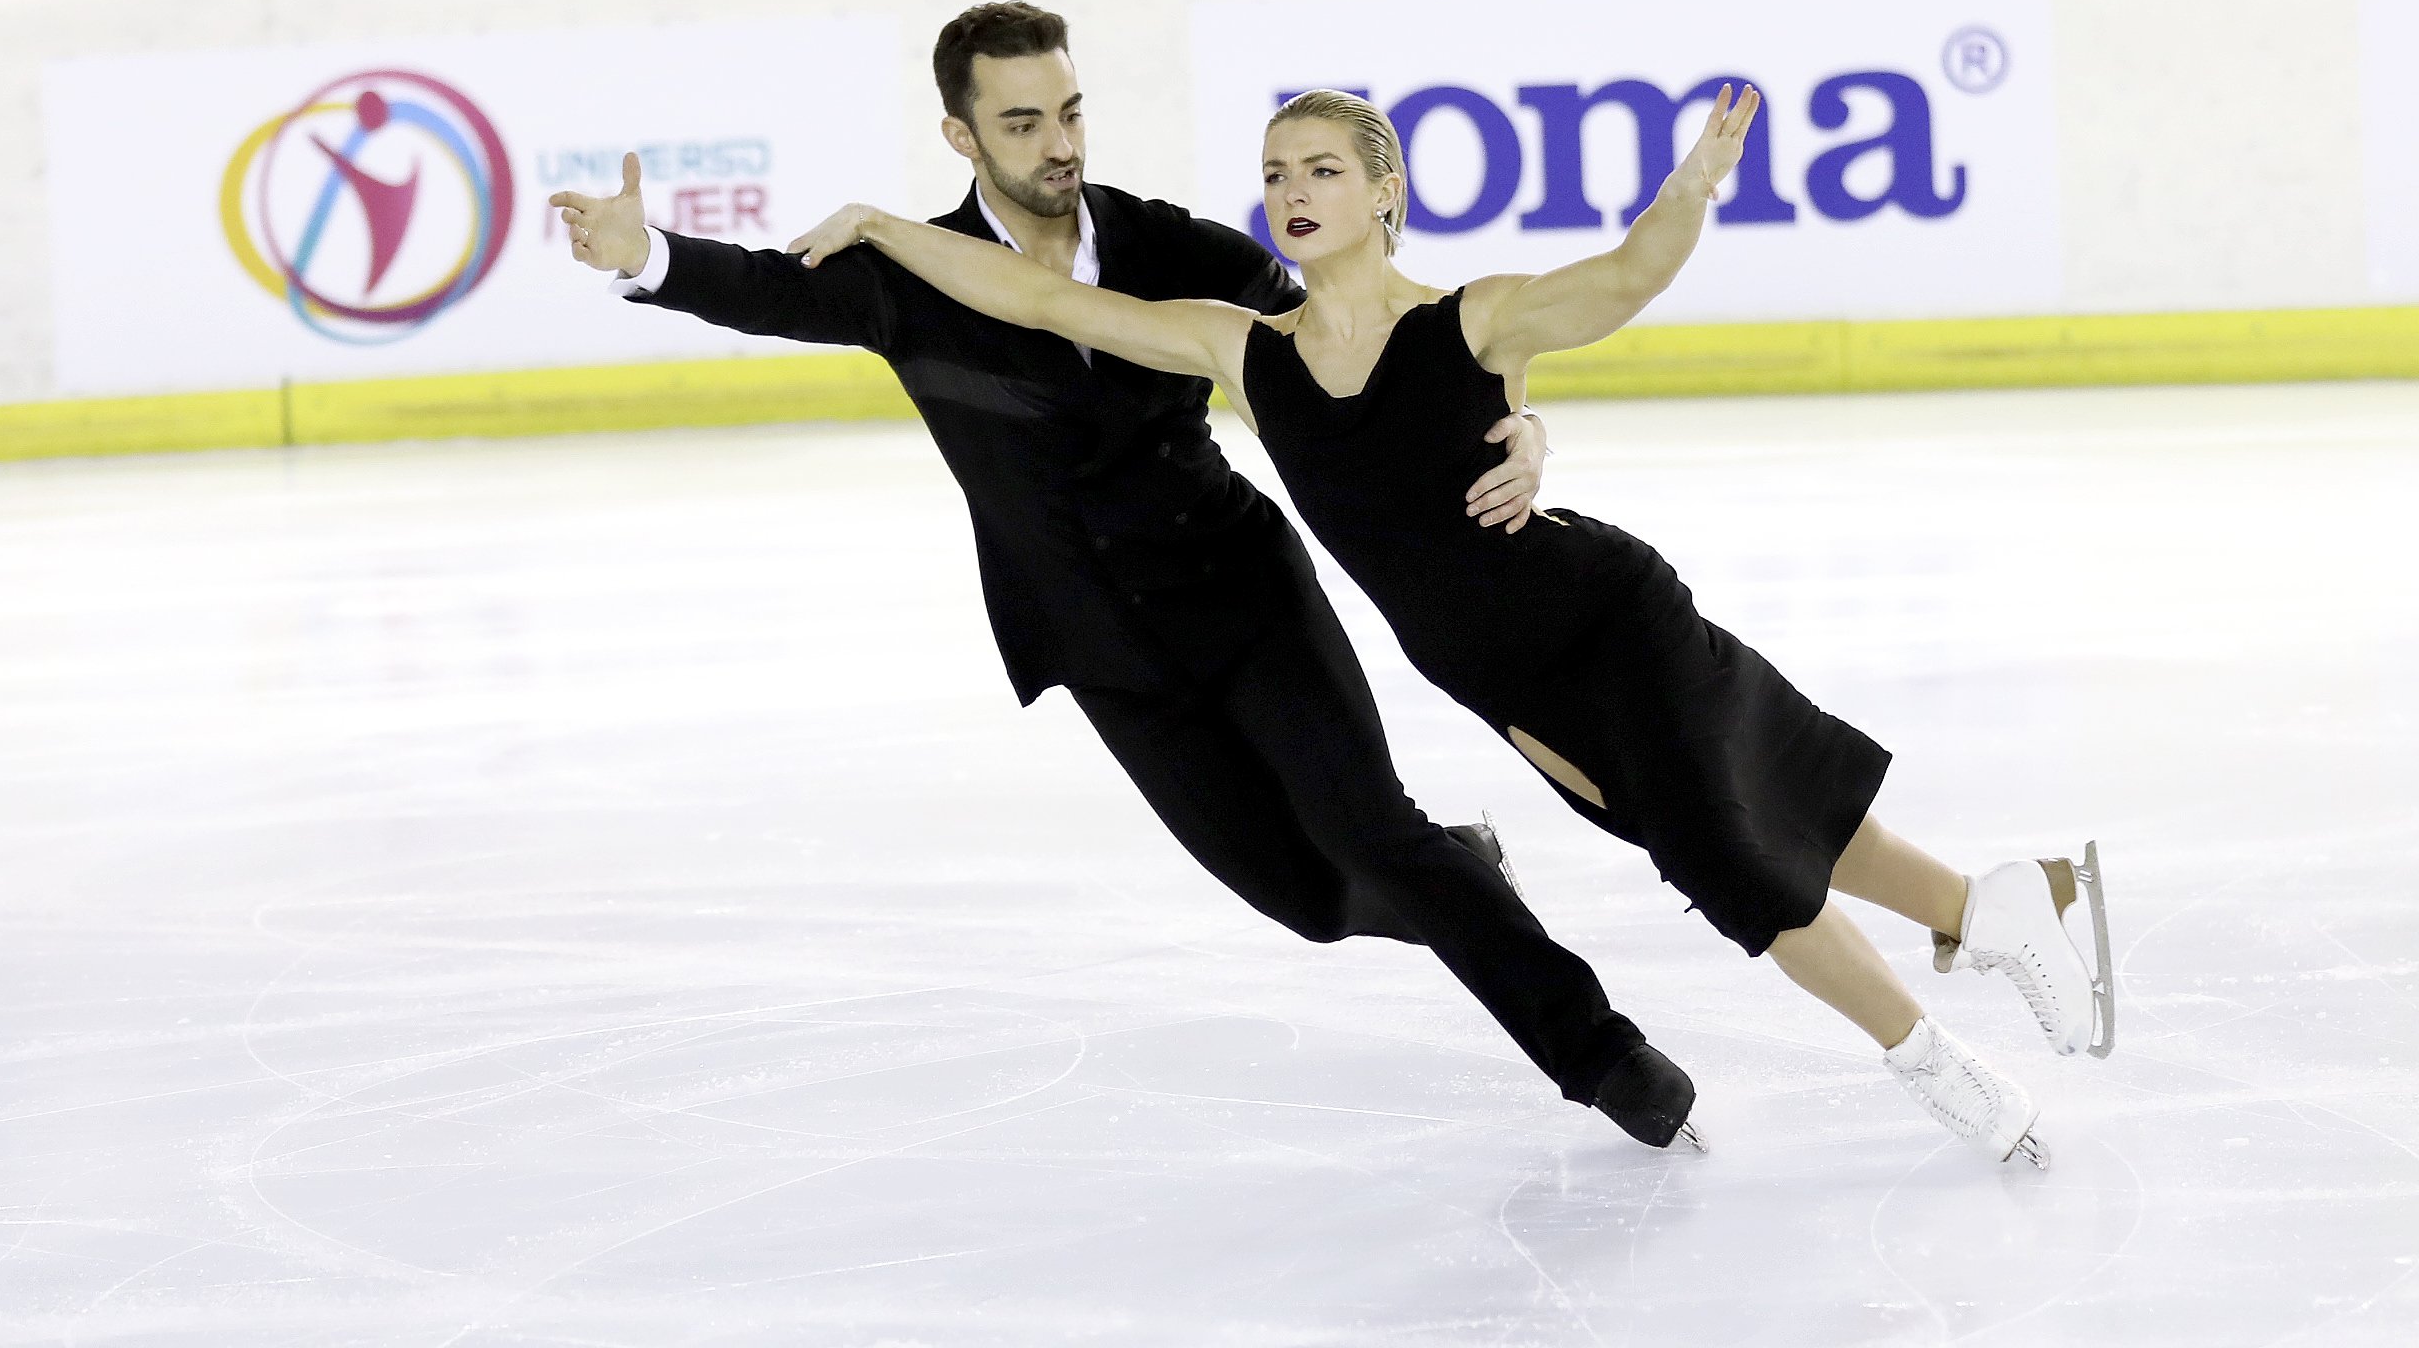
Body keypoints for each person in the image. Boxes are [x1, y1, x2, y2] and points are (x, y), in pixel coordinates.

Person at [782, 84, 2120, 1168]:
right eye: (1276, 172)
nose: (1292, 194)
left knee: (1731, 858)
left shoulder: (1473, 316)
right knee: (1798, 817)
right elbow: (1041, 298)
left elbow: (1625, 277)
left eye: (1320, 170)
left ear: (1381, 195)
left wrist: (1692, 185)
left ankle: (1937, 1069)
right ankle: (2001, 908)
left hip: (1605, 616)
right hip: (1505, 682)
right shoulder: (1243, 349)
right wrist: (890, 228)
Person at [552, 2, 1704, 1150]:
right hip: (1098, 639)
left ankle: (1605, 1057)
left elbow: (1390, 339)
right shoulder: (903, 275)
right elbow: (763, 284)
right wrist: (642, 256)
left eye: (1069, 111)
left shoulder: (1177, 251)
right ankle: (1459, 875)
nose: (1059, 142)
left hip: (1242, 588)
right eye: (1021, 122)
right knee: (1309, 900)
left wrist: (1522, 422)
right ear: (963, 137)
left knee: (1372, 834)